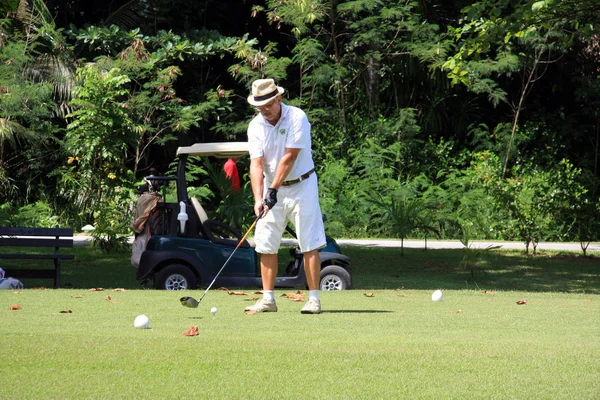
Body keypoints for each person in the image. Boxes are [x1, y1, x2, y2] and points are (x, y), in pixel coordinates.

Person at [245, 78, 326, 314]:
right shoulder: (255, 126)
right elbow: (256, 165)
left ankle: (313, 299)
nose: (264, 110)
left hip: (302, 185)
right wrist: (259, 198)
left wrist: (273, 191)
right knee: (266, 242)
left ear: (279, 99)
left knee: (309, 242)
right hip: (272, 188)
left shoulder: (297, 117)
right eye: (259, 107)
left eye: (268, 105)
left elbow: (289, 158)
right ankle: (268, 299)